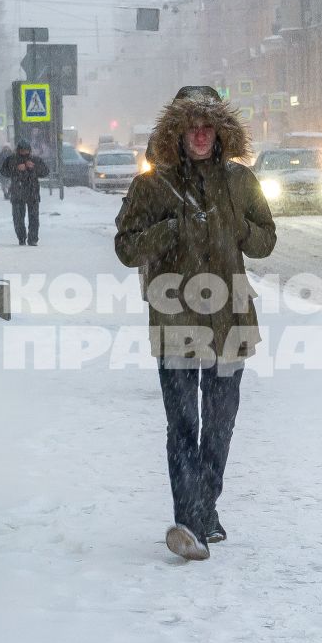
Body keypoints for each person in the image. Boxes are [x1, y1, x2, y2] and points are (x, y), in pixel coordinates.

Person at [114, 86, 276, 562]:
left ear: (221, 131)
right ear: (177, 133)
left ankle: (205, 508)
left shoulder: (241, 181)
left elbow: (266, 239)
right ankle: (189, 523)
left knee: (220, 426)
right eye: (192, 127)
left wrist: (238, 228)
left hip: (231, 320)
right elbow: (126, 247)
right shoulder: (152, 186)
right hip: (175, 322)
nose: (201, 135)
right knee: (183, 425)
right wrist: (168, 231)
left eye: (209, 127)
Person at [0, 140, 51, 246]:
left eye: (26, 150)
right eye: (22, 150)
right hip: (17, 192)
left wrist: (34, 167)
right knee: (18, 218)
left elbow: (45, 172)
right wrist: (16, 169)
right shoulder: (11, 160)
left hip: (32, 192)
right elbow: (3, 172)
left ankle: (33, 239)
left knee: (34, 218)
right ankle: (21, 237)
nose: (24, 153)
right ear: (18, 150)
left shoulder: (35, 160)